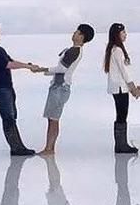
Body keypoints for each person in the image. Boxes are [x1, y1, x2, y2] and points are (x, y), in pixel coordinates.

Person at [33, 24, 95, 155]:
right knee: (52, 118)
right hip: (60, 86)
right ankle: (49, 147)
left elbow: (61, 69)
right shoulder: (73, 50)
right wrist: (44, 71)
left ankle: (49, 148)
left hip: (60, 88)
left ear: (82, 36)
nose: (74, 33)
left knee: (53, 118)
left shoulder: (74, 51)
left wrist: (41, 69)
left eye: (77, 32)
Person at [0, 18, 39, 156]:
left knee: (10, 116)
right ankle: (16, 147)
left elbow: (10, 61)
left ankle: (17, 146)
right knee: (8, 117)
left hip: (2, 86)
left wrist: (28, 65)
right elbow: (8, 64)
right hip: (0, 87)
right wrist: (27, 66)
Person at [103, 23, 140, 153]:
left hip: (117, 87)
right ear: (117, 34)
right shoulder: (118, 50)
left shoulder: (113, 49)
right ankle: (121, 145)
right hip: (120, 87)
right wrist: (133, 88)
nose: (125, 35)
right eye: (123, 33)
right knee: (122, 114)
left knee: (121, 114)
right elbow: (124, 72)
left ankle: (120, 144)